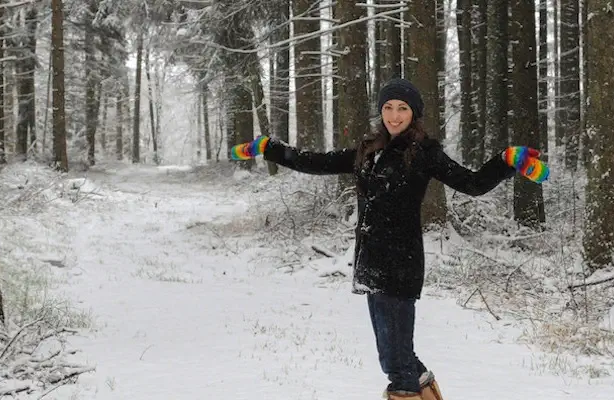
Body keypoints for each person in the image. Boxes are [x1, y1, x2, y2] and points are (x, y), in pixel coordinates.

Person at [230, 78, 549, 400]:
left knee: (395, 362)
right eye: (388, 108)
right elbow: (317, 162)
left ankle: (409, 391)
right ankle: (424, 390)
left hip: (400, 264)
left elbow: (473, 183)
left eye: (402, 108)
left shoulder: (425, 153)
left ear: (414, 113)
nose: (394, 116)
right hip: (371, 264)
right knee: (398, 354)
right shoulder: (369, 151)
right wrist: (269, 148)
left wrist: (507, 161)